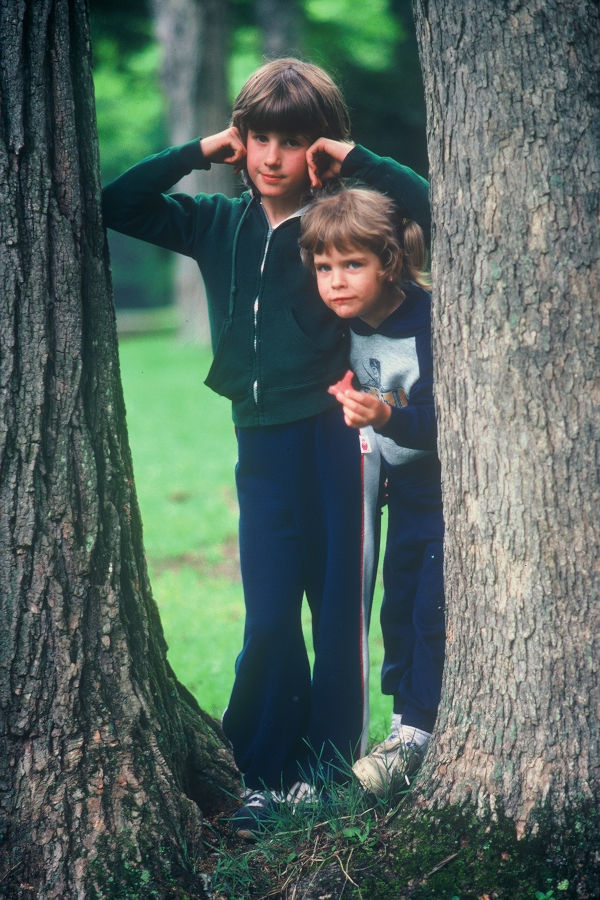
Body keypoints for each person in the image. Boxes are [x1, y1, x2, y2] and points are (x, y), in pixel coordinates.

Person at [102, 58, 430, 834]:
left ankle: (323, 770)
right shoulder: (214, 223)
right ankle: (260, 771)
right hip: (259, 440)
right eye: (261, 139)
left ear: (316, 148)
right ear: (241, 142)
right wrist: (197, 152)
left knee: (339, 605)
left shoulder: (335, 222)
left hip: (338, 438)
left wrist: (351, 159)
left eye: (294, 140)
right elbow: (119, 203)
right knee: (271, 608)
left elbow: (423, 205)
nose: (275, 157)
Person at [300, 186, 444, 795]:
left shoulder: (432, 320)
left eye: (352, 264)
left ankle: (422, 725)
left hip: (441, 491)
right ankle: (402, 723)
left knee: (430, 605)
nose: (335, 282)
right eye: (324, 268)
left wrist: (387, 421)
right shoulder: (344, 328)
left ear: (389, 260)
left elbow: (457, 420)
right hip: (397, 491)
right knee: (396, 603)